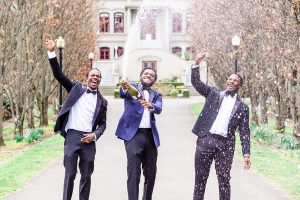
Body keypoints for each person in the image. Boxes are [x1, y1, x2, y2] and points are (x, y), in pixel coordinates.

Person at [45, 34, 107, 200]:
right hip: (72, 136)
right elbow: (59, 75)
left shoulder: (103, 101)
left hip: (89, 139)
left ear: (100, 81)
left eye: (98, 77)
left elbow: (102, 125)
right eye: (92, 75)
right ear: (87, 78)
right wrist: (52, 53)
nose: (95, 78)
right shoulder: (76, 88)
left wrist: (94, 135)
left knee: (86, 177)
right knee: (70, 174)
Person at [191, 54, 251, 200]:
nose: (231, 81)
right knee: (200, 180)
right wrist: (196, 63)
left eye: (235, 80)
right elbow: (197, 83)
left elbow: (244, 131)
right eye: (230, 79)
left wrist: (246, 154)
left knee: (224, 180)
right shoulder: (213, 94)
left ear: (239, 85)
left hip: (225, 145)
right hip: (206, 139)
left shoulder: (242, 108)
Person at [115, 67, 162, 200]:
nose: (148, 76)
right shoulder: (133, 88)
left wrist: (151, 105)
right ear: (141, 76)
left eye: (152, 75)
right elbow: (124, 93)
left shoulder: (156, 95)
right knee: (134, 173)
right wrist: (125, 86)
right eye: (146, 74)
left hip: (150, 137)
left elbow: (159, 108)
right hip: (133, 136)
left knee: (151, 173)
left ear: (154, 80)